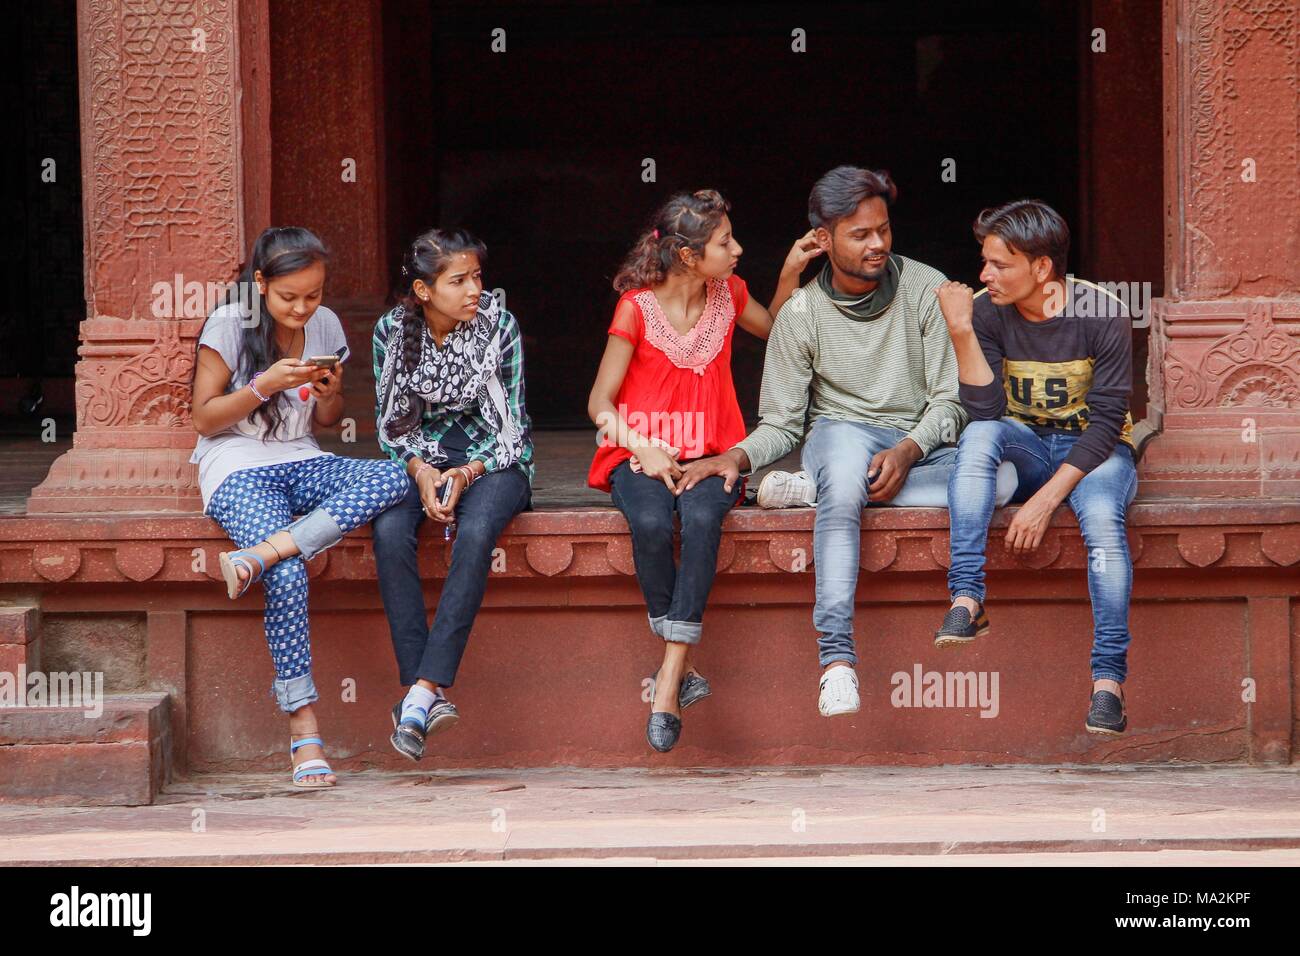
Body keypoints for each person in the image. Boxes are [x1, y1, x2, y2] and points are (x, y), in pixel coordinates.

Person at [678, 166, 1015, 719]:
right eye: (860, 234)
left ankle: (827, 487)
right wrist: (735, 457)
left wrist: (907, 450)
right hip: (841, 432)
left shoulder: (927, 289)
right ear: (823, 239)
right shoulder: (802, 314)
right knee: (842, 481)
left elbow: (948, 401)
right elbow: (784, 422)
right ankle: (836, 659)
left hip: (918, 444)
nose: (877, 243)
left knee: (999, 482)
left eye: (883, 229)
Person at [587, 189, 815, 752]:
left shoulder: (730, 293)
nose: (736, 249)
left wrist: (788, 271)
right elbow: (599, 404)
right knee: (653, 524)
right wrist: (646, 446)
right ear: (688, 256)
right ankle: (680, 670)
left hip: (713, 454)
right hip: (639, 453)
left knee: (704, 518)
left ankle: (669, 675)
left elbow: (779, 330)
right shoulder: (636, 308)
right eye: (724, 242)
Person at [190, 226, 409, 788]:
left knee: (396, 475)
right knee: (288, 576)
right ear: (260, 283)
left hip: (301, 458)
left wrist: (331, 392)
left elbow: (328, 421)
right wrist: (262, 386)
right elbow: (205, 419)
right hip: (237, 467)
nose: (302, 308)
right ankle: (303, 725)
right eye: (289, 297)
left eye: (313, 295)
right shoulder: (229, 323)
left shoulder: (327, 325)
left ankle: (259, 555)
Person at [934, 199, 1137, 735]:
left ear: (1042, 268)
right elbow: (984, 413)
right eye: (985, 262)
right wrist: (961, 332)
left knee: (1103, 528)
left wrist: (1047, 500)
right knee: (978, 436)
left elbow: (1107, 422)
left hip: (1096, 456)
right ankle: (967, 596)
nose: (985, 275)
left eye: (999, 264)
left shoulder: (1103, 311)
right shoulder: (984, 309)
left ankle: (1107, 685)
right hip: (1025, 444)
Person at [371, 228, 534, 761]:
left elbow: (511, 430)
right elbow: (391, 426)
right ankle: (426, 693)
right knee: (390, 529)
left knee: (477, 529)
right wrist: (420, 472)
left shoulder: (499, 326)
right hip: (421, 460)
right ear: (423, 290)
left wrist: (465, 474)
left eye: (477, 277)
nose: (475, 290)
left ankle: (420, 693)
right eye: (459, 280)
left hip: (495, 462)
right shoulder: (391, 331)